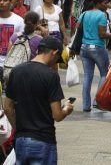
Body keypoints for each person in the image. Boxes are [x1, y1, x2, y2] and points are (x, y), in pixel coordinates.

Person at [4, 36, 74, 164]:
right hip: (43, 140)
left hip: (21, 140)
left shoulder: (16, 71)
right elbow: (57, 115)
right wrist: (66, 109)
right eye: (57, 60)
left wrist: (18, 128)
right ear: (54, 53)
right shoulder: (51, 76)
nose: (55, 64)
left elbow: (7, 107)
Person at [75, 0, 111, 112]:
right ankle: (97, 102)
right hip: (97, 47)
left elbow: (78, 28)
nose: (107, 5)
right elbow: (102, 34)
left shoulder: (84, 14)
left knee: (88, 76)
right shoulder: (102, 15)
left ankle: (86, 105)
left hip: (84, 47)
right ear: (98, 3)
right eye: (105, 3)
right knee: (104, 74)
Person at [0, 0, 25, 85]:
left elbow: (22, 42)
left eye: (5, 0)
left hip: (10, 63)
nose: (1, 2)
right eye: (0, 0)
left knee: (8, 94)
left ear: (10, 3)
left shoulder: (19, 21)